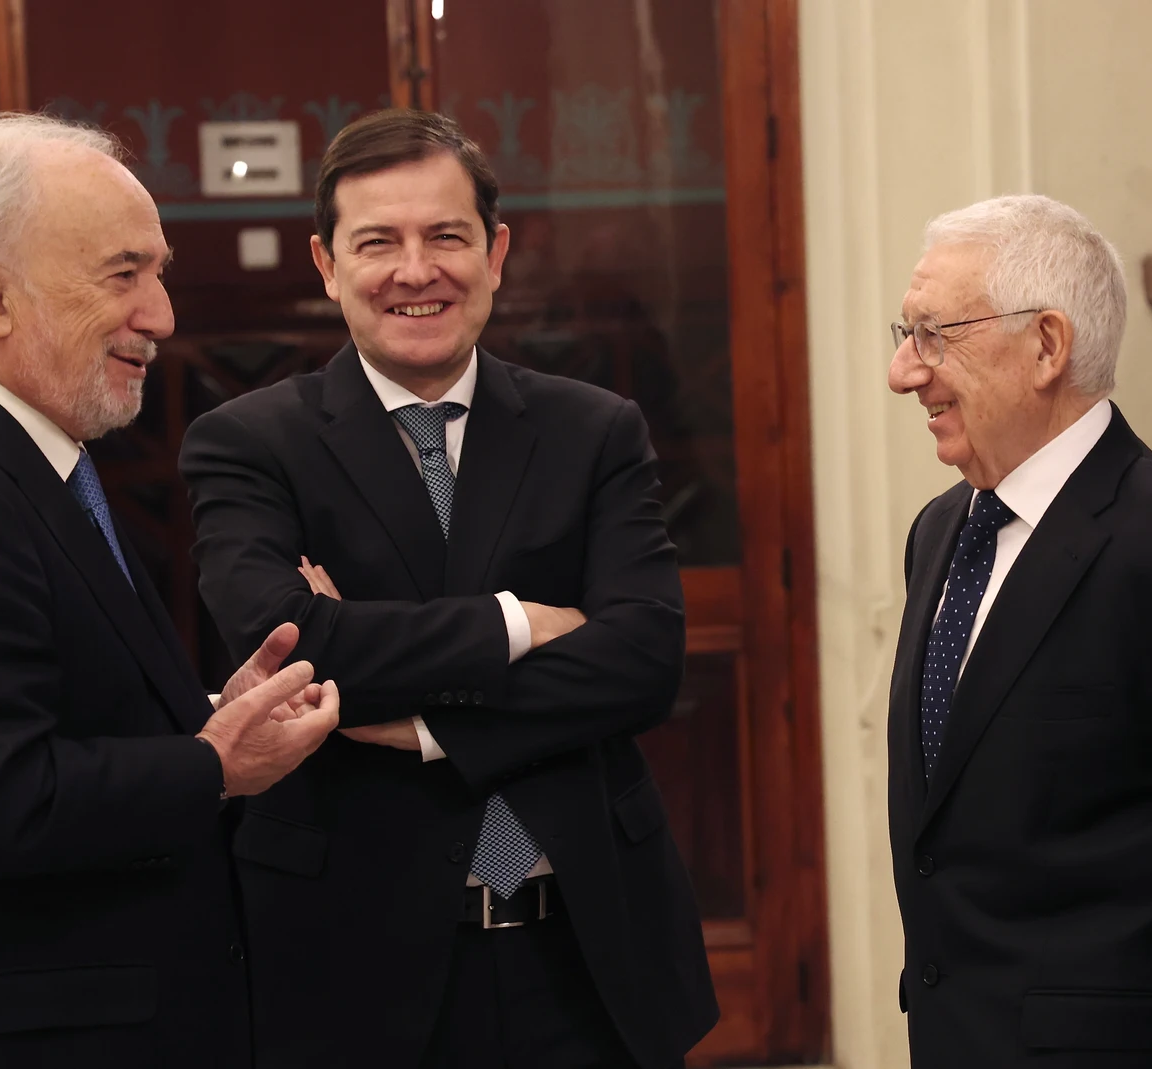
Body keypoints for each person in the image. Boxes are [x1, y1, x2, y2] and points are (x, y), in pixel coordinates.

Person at [0, 114, 339, 1069]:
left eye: (158, 272)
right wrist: (214, 764)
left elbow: (50, 709)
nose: (162, 315)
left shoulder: (9, 457)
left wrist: (213, 713)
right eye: (123, 275)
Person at [178, 110, 715, 1069]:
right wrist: (523, 622)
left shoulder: (593, 429)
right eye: (377, 242)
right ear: (326, 263)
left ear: (495, 253)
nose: (415, 270)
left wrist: (427, 722)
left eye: (446, 236)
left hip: (587, 954)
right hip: (352, 966)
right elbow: (294, 647)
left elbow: (643, 660)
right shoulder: (248, 444)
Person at [885, 194, 1152, 1068]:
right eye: (906, 335)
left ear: (1046, 345)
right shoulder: (939, 534)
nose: (904, 371)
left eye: (934, 335)